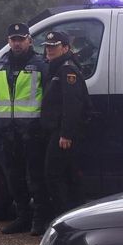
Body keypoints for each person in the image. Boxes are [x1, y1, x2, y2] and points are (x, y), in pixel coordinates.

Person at [0, 22, 48, 234]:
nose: (17, 43)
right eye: (13, 40)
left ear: (29, 40)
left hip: (32, 132)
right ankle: (23, 218)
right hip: (7, 133)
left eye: (21, 39)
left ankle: (39, 219)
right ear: (9, 41)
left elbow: (49, 100)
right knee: (14, 177)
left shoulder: (41, 65)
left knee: (36, 178)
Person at [37, 31, 90, 228]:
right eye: (47, 46)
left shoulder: (67, 71)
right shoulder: (57, 67)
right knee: (69, 175)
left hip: (63, 134)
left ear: (65, 48)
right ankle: (74, 217)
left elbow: (72, 104)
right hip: (57, 132)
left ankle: (62, 221)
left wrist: (66, 134)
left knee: (53, 174)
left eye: (54, 46)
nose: (49, 50)